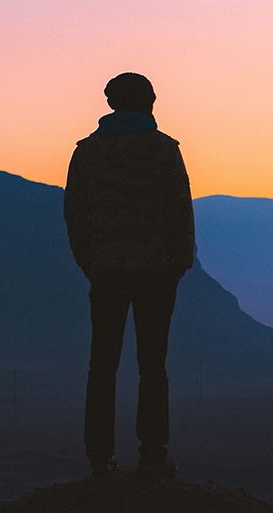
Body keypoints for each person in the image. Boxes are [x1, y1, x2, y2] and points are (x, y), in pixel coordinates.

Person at [63, 72, 195, 477]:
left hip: (106, 270)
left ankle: (100, 456)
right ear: (146, 102)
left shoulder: (86, 153)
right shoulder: (163, 150)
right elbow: (179, 209)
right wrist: (180, 262)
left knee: (102, 364)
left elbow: (74, 214)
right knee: (152, 365)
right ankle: (153, 453)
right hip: (156, 269)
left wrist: (89, 261)